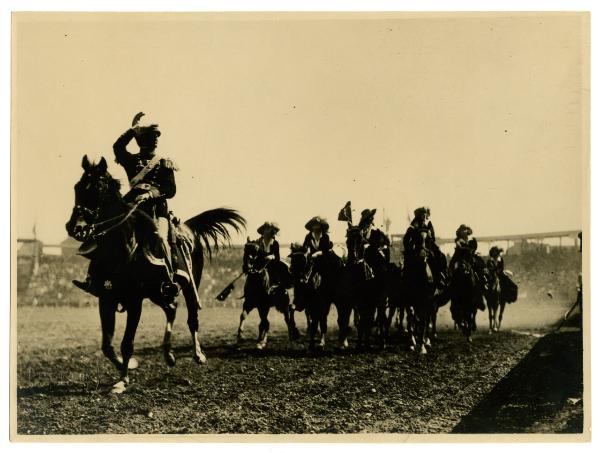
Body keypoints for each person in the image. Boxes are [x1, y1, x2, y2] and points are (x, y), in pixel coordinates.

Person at [73, 112, 179, 297]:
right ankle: (93, 278)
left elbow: (170, 190)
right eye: (149, 137)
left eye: (155, 138)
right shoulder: (131, 161)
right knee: (105, 231)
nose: (154, 141)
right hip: (131, 207)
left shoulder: (164, 163)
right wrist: (132, 130)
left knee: (162, 237)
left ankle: (169, 281)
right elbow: (117, 147)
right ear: (141, 140)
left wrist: (150, 194)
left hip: (155, 209)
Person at [402, 207, 446, 285]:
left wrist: (428, 248)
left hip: (427, 249)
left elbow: (432, 239)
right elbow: (406, 241)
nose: (424, 218)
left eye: (424, 216)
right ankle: (404, 280)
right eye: (422, 216)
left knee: (435, 257)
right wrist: (412, 247)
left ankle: (439, 277)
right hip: (416, 250)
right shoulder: (412, 228)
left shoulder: (428, 226)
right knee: (409, 260)